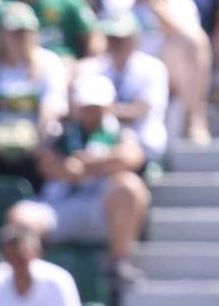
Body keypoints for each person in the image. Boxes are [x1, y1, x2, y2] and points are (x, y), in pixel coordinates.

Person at [37, 72, 151, 281]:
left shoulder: (120, 132)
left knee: (130, 187)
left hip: (103, 208)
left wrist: (87, 163)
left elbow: (132, 157)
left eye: (96, 107)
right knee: (22, 218)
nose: (90, 113)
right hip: (61, 205)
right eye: (86, 107)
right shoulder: (60, 131)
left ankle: (118, 263)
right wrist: (67, 168)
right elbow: (46, 164)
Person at [100, 0, 211, 147]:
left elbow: (189, 40)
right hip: (120, 66)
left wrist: (152, 2)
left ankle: (195, 117)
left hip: (164, 73)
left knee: (195, 42)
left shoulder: (181, 2)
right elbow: (105, 36)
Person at [0, 4, 67, 178]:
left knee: (54, 135)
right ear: (2, 33)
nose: (20, 37)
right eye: (15, 31)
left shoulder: (50, 63)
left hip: (35, 136)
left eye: (25, 31)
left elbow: (51, 108)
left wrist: (37, 140)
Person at [77, 11, 170, 164]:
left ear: (134, 39)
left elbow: (140, 111)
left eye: (120, 38)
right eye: (111, 38)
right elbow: (83, 112)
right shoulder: (94, 68)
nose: (115, 43)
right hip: (100, 144)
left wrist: (103, 110)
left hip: (142, 144)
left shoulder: (152, 68)